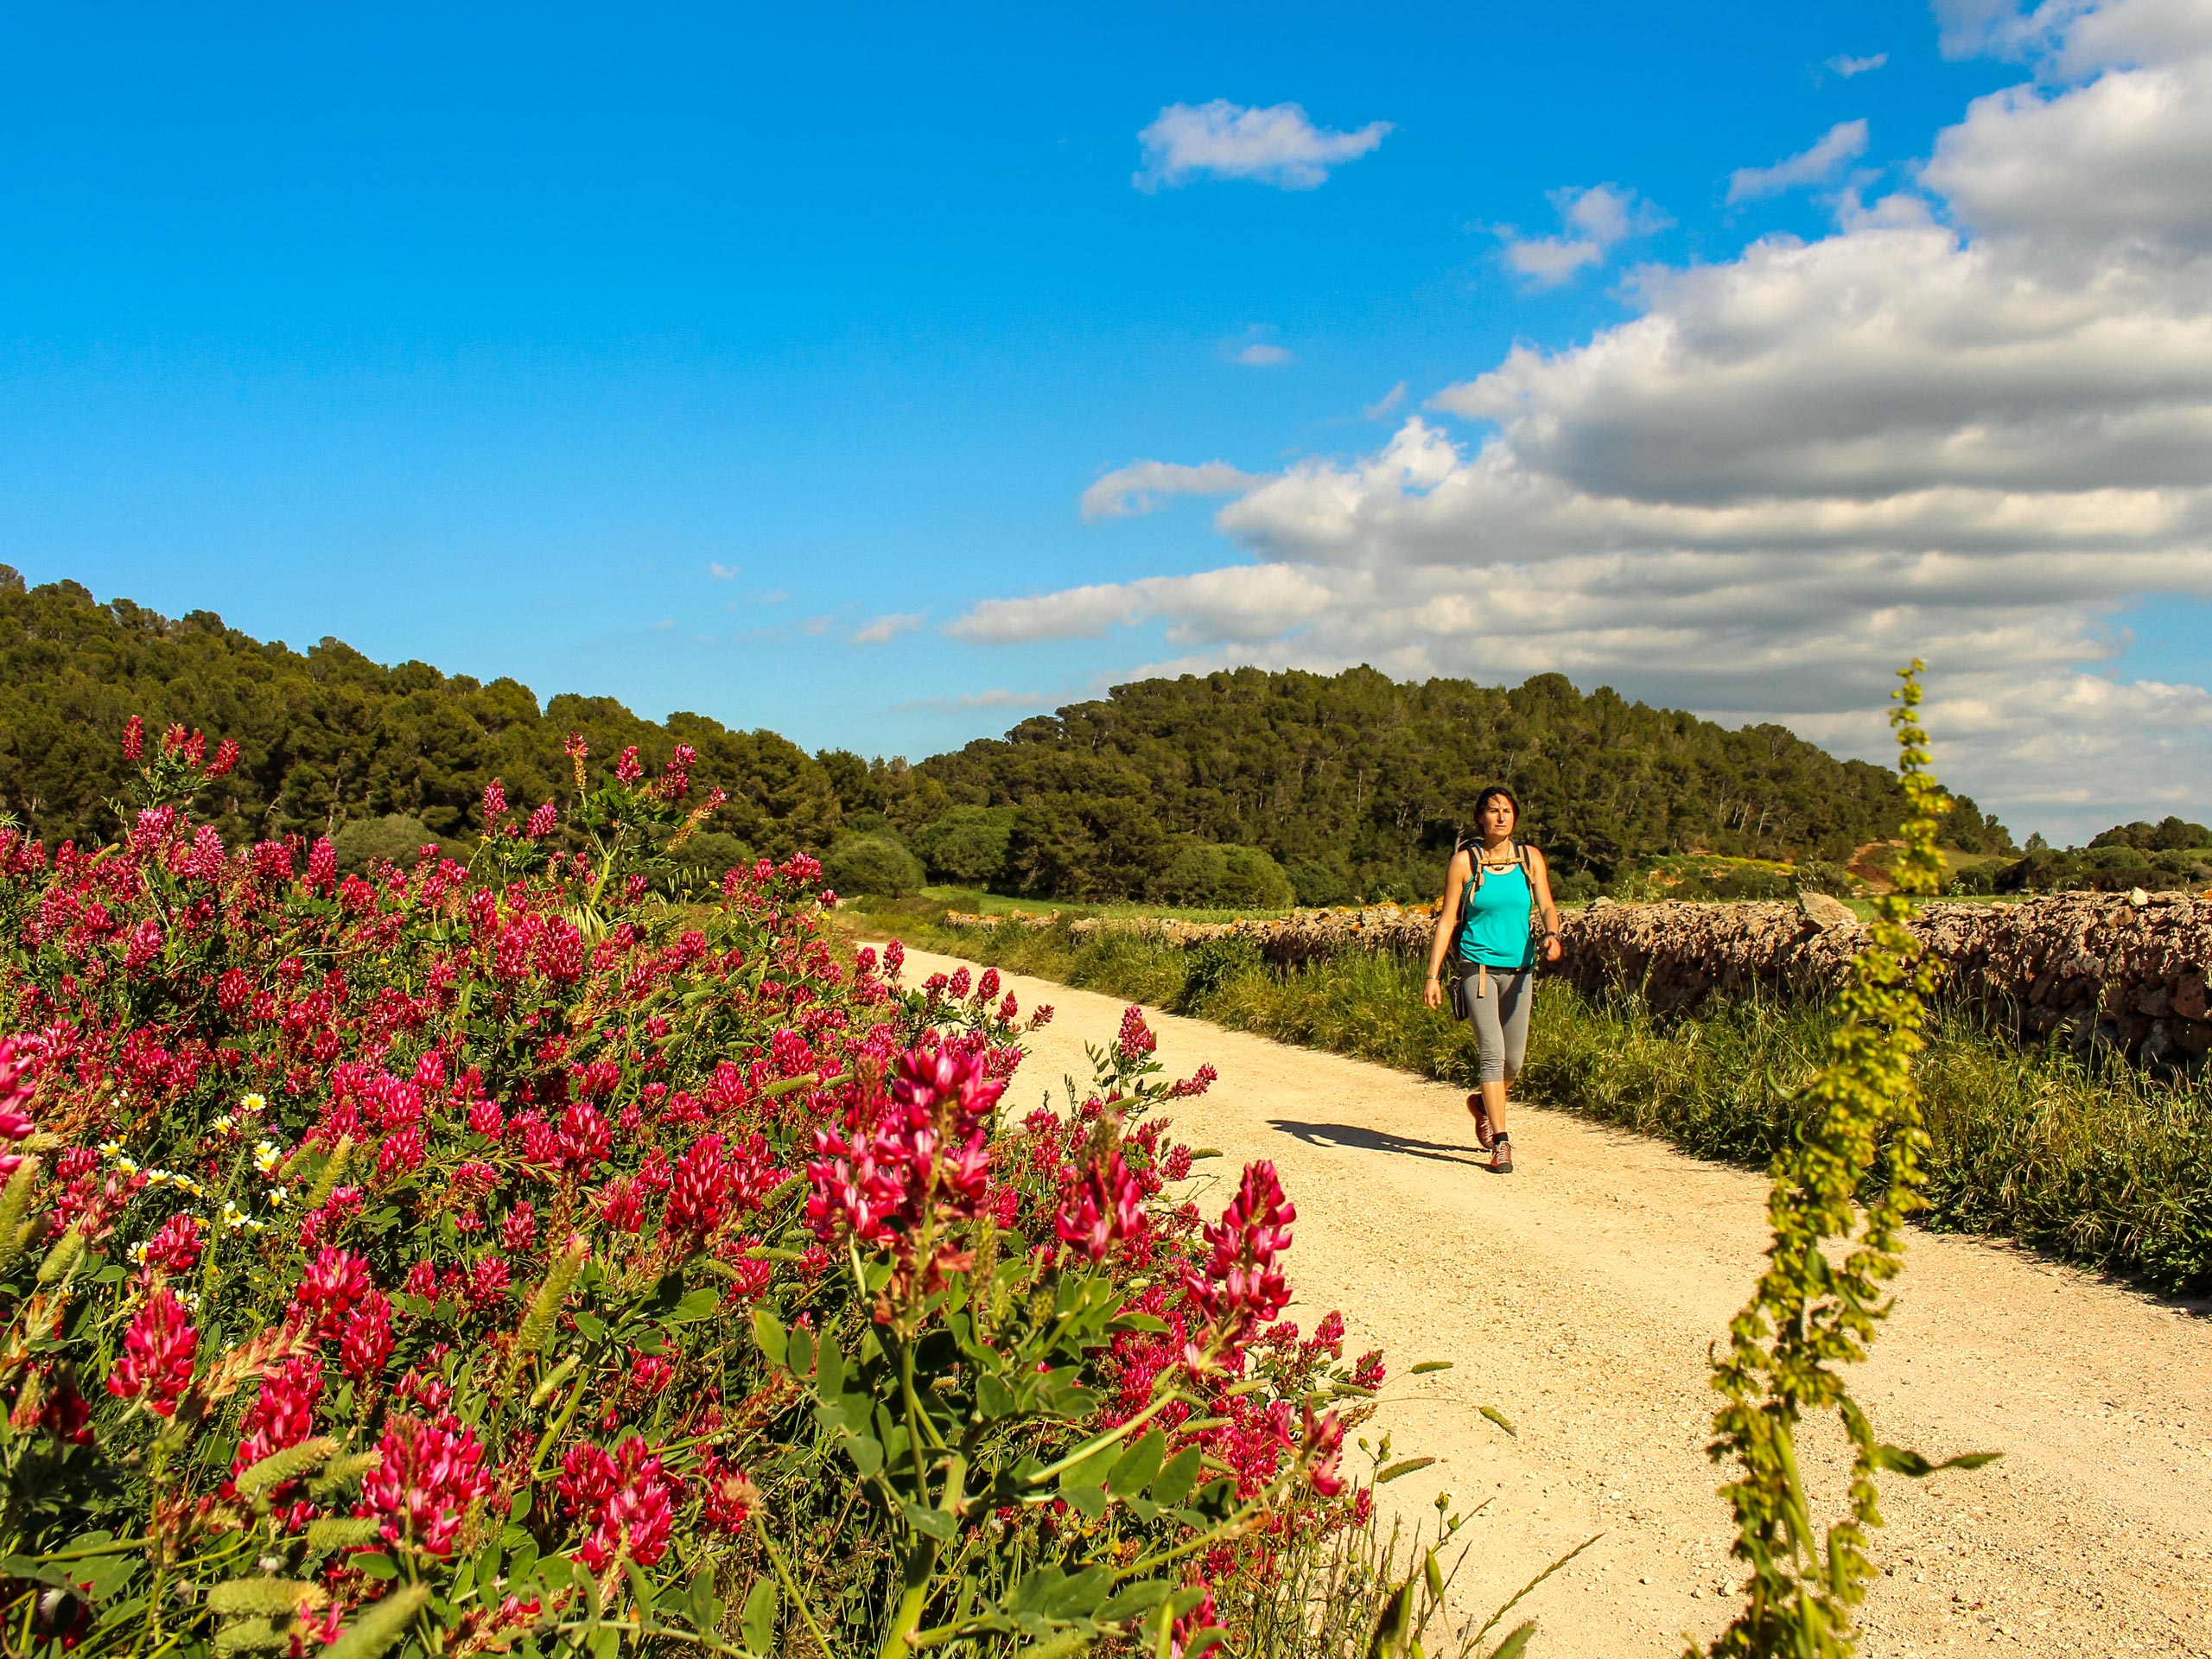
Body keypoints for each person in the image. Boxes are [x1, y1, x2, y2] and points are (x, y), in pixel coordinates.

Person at [1421, 785, 1563, 1173]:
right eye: (1492, 810)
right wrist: (1433, 975)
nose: (1501, 816)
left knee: (1513, 1062)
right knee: (1492, 1054)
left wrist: (1552, 934)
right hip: (1477, 971)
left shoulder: (1530, 859)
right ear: (1480, 818)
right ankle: (1501, 1143)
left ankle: (1483, 1105)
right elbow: (1448, 919)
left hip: (1520, 972)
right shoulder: (1464, 863)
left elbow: (1547, 904)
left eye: (1507, 810)